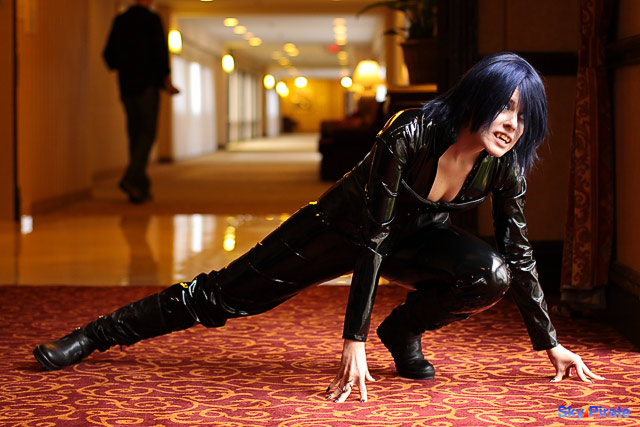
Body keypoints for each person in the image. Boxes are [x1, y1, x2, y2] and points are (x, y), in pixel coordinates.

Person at [34, 53, 603, 403]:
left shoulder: (504, 163)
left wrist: (549, 343)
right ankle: (96, 335)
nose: (512, 124)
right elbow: (372, 238)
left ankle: (402, 332)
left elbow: (519, 253)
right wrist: (352, 339)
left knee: (491, 274)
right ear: (477, 100)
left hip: (412, 239)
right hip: (339, 227)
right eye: (505, 107)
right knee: (225, 296)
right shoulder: (409, 133)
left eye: (524, 115)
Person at [103, 0, 179, 204]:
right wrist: (166, 81)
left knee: (135, 135)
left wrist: (125, 66)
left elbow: (109, 55)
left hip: (126, 87)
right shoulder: (152, 20)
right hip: (147, 87)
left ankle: (139, 188)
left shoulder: (121, 20)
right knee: (147, 134)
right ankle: (131, 178)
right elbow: (161, 53)